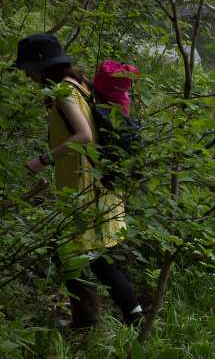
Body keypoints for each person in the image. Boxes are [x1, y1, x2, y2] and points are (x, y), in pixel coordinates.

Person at [15, 33, 143, 330]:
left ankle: (99, 320)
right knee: (90, 255)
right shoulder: (81, 83)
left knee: (80, 255)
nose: (25, 75)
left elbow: (84, 135)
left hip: (85, 187)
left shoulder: (63, 92)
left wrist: (42, 160)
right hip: (94, 183)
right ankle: (125, 317)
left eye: (27, 68)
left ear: (42, 66)